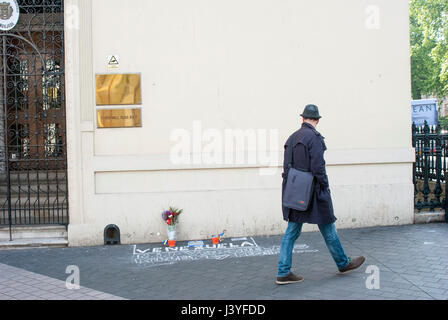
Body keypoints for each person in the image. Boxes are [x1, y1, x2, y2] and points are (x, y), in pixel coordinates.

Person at [276, 104, 365, 285]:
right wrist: (324, 186)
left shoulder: (291, 138)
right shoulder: (314, 138)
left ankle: (283, 271)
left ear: (302, 119)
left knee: (292, 231)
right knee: (328, 226)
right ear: (317, 120)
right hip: (315, 191)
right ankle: (343, 263)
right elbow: (318, 167)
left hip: (295, 191)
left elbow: (286, 168)